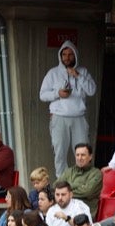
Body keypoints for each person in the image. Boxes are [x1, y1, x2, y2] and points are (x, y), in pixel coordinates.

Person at [39, 41, 96, 170]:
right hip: (59, 117)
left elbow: (92, 90)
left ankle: (82, 183)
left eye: (70, 54)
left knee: (83, 152)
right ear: (60, 56)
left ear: (75, 55)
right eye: (64, 54)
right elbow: (42, 95)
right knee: (59, 153)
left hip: (79, 116)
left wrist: (77, 75)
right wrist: (57, 94)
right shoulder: (53, 73)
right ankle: (62, 185)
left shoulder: (83, 71)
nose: (67, 57)